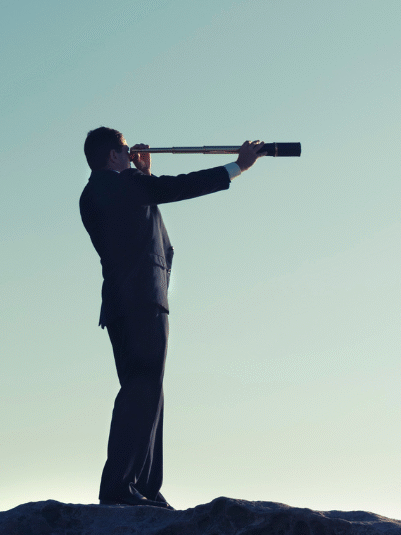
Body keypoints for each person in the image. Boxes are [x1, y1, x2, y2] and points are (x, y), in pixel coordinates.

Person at [79, 127, 265, 509]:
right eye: (125, 150)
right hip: (140, 301)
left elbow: (144, 222)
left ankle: (144, 484)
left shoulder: (104, 191)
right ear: (113, 155)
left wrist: (143, 175)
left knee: (148, 390)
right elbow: (177, 187)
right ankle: (120, 485)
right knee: (141, 390)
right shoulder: (118, 186)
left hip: (129, 302)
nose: (130, 154)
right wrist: (237, 167)